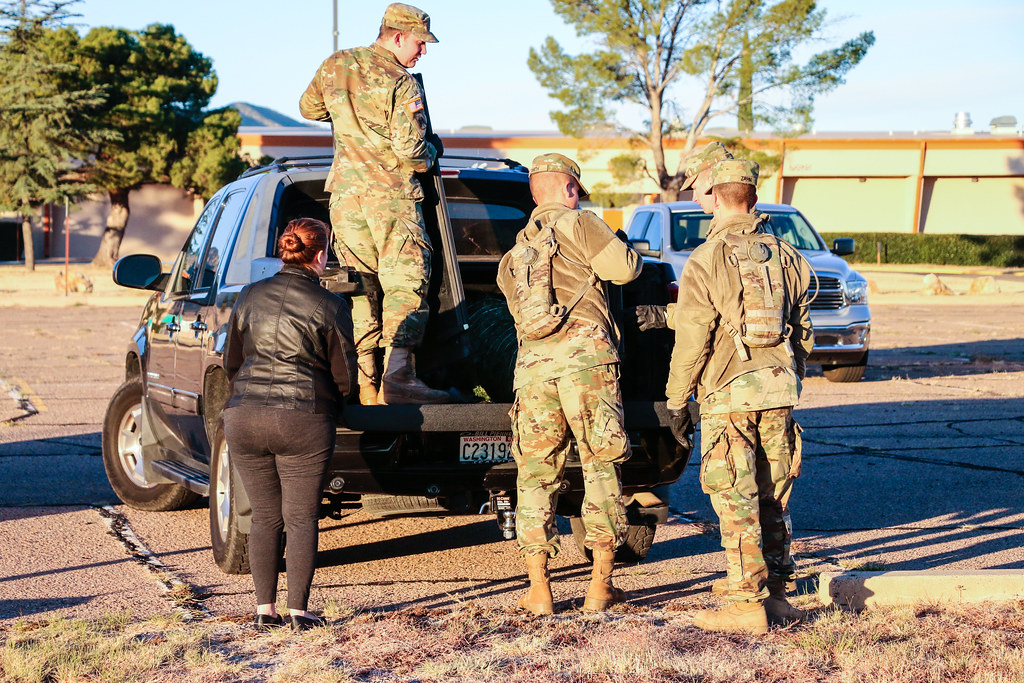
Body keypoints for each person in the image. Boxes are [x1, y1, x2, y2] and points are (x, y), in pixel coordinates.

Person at [664, 159, 813, 635]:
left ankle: (745, 604)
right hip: (779, 386)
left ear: (715, 195)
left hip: (728, 392)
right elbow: (804, 335)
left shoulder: (707, 259)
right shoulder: (789, 256)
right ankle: (777, 596)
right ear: (752, 195)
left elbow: (692, 338)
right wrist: (791, 380)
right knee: (774, 495)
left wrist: (676, 399)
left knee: (736, 497)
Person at [496, 153, 642, 614]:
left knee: (536, 473)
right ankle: (599, 586)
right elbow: (625, 270)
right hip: (587, 365)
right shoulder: (582, 224)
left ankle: (539, 588)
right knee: (600, 464)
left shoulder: (512, 256)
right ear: (570, 189)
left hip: (534, 370)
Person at [299, 2, 448, 406]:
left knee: (360, 288)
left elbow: (308, 108)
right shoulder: (402, 82)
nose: (423, 51)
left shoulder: (336, 64)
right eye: (419, 43)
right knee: (404, 283)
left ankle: (365, 383)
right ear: (398, 36)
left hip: (346, 200)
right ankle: (398, 376)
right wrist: (433, 150)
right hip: (391, 198)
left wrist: (349, 115)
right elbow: (412, 152)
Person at [223, 217, 357, 632]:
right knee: (300, 518)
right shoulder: (332, 306)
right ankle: (299, 611)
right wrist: (341, 405)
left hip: (243, 415)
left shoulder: (249, 295)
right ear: (320, 255)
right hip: (302, 418)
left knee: (264, 516)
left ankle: (264, 610)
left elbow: (232, 361)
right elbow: (345, 377)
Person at [634, 141, 733, 332]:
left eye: (695, 188)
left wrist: (664, 315)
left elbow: (699, 314)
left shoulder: (711, 252)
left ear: (711, 183)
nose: (694, 197)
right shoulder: (776, 246)